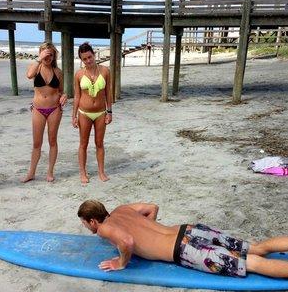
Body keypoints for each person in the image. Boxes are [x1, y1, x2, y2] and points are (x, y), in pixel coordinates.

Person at [77, 200, 288, 278]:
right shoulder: (122, 209)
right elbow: (152, 207)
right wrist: (151, 234)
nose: (86, 227)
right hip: (188, 231)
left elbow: (127, 242)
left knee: (253, 263)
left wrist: (121, 263)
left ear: (93, 220)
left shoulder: (105, 228)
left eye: (85, 223)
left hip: (185, 251)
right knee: (257, 248)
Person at [22, 42, 67, 183]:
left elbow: (61, 91)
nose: (48, 57)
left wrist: (64, 96)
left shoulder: (58, 72)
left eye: (50, 55)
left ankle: (50, 172)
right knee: (37, 143)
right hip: (38, 109)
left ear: (54, 56)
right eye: (45, 54)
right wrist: (39, 58)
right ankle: (31, 172)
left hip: (54, 109)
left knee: (52, 141)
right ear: (40, 53)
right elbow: (29, 75)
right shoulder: (35, 67)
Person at [72, 43, 112, 184]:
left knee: (99, 143)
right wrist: (74, 116)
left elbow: (108, 93)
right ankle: (83, 173)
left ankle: (101, 171)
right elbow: (77, 96)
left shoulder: (105, 71)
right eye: (84, 59)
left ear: (94, 55)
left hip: (101, 113)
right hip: (84, 113)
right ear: (81, 60)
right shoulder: (79, 74)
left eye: (89, 57)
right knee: (83, 143)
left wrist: (110, 112)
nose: (88, 61)